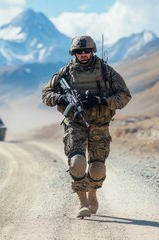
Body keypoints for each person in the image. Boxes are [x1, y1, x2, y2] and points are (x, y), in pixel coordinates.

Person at [41, 35, 131, 218]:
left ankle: (93, 194)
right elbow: (46, 94)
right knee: (77, 162)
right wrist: (60, 98)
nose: (83, 54)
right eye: (79, 52)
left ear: (92, 51)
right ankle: (82, 201)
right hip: (75, 123)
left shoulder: (107, 72)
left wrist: (102, 100)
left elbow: (124, 96)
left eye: (86, 51)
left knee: (97, 168)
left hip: (100, 124)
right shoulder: (65, 73)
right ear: (74, 53)